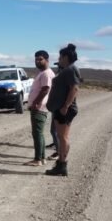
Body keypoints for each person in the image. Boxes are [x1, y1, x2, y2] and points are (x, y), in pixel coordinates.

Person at [45, 44, 80, 176]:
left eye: (60, 56)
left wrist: (65, 106)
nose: (59, 59)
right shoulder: (68, 69)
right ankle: (61, 163)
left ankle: (62, 165)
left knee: (62, 137)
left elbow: (74, 88)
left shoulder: (71, 69)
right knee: (62, 136)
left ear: (65, 57)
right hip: (61, 108)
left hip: (64, 109)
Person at [24, 50, 54, 166]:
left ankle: (38, 159)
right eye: (36, 59)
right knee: (39, 133)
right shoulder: (43, 73)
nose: (37, 61)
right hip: (39, 107)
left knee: (37, 133)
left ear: (47, 60)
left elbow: (45, 89)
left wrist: (36, 103)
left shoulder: (46, 73)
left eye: (40, 59)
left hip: (39, 107)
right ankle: (42, 158)